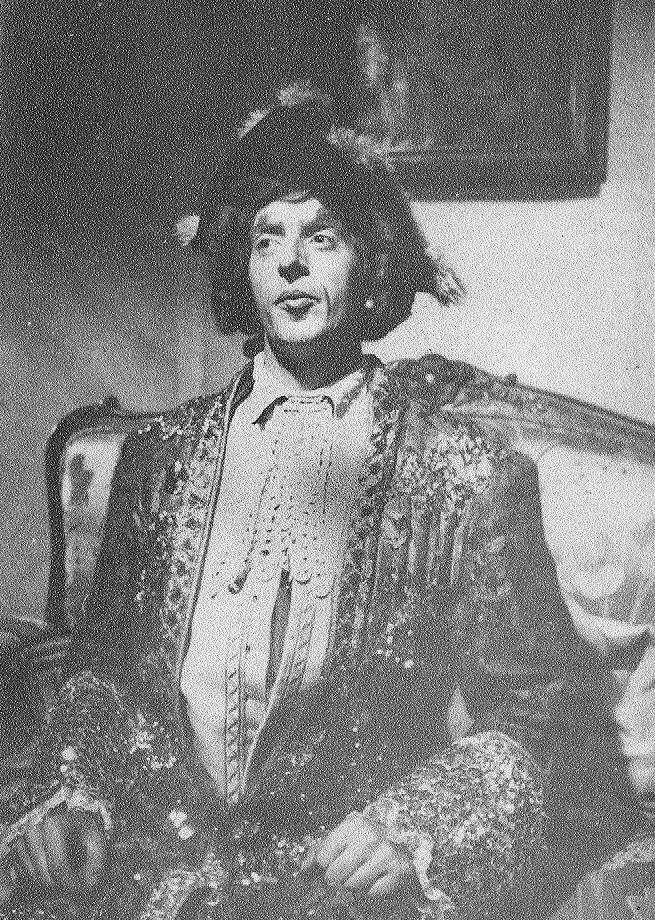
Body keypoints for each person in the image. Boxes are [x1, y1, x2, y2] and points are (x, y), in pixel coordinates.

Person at [0, 84, 649, 920]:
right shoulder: (159, 460)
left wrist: (417, 825)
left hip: (341, 882)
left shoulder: (463, 475)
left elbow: (547, 717)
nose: (290, 263)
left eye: (321, 237)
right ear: (241, 266)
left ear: (369, 264)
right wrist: (72, 790)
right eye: (266, 238)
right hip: (151, 863)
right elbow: (107, 669)